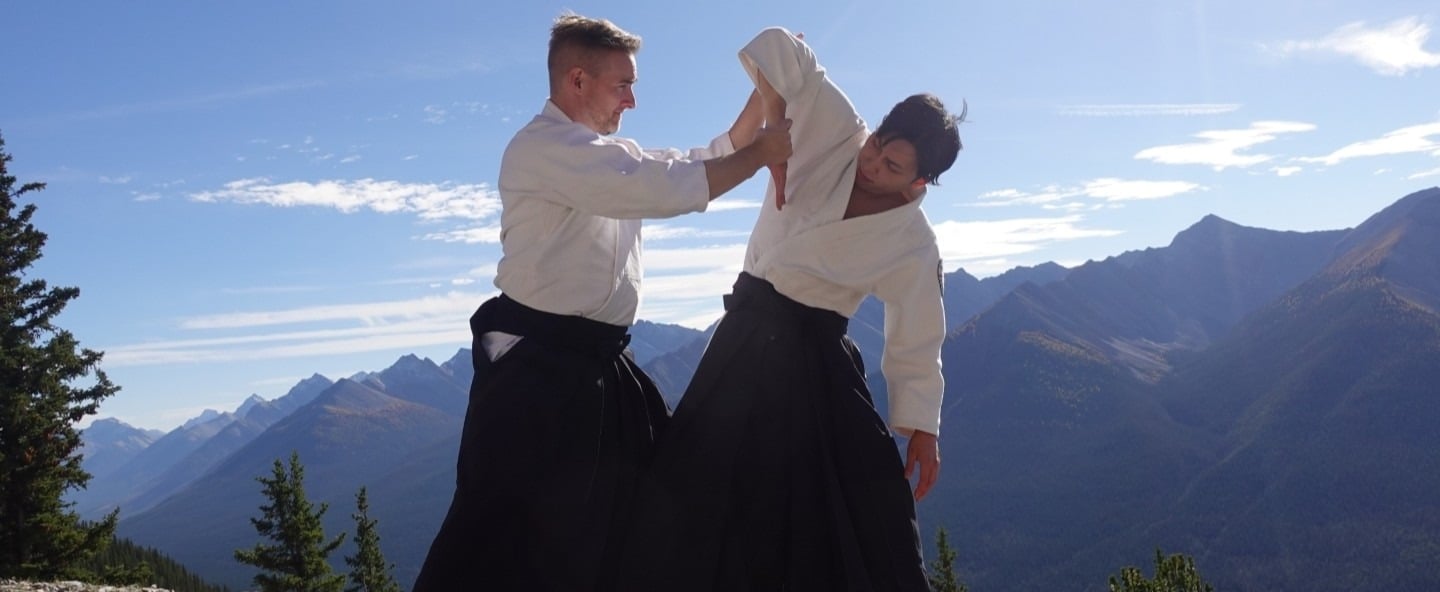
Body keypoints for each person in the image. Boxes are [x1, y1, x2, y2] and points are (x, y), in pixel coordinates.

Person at [411, 14, 791, 592]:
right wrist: (764, 152)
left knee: (634, 524)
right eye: (623, 85)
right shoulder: (543, 149)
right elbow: (665, 187)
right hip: (536, 375)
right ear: (578, 81)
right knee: (505, 536)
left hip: (595, 368)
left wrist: (765, 98)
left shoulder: (609, 155)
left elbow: (695, 160)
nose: (633, 101)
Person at [619, 26, 963, 592]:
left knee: (864, 499)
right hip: (746, 340)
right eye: (879, 144)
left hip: (817, 356)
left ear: (921, 182)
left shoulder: (913, 242)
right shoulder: (834, 129)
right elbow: (783, 46)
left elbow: (918, 332)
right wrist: (773, 128)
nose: (873, 163)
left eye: (894, 167)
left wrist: (923, 427)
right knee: (699, 496)